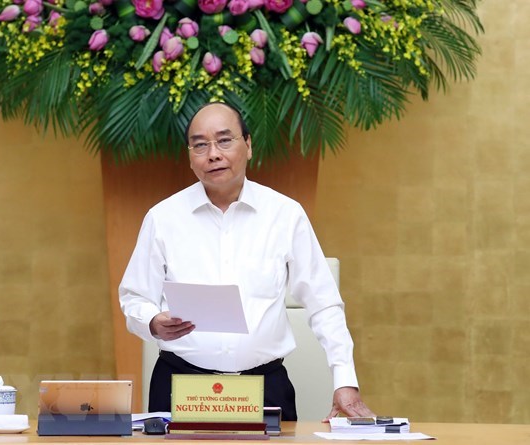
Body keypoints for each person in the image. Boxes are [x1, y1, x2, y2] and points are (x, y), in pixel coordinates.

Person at [119, 102, 374, 421]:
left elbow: (324, 304)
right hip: (180, 388)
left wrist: (345, 381)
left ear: (248, 145)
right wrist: (153, 321)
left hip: (264, 388)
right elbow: (134, 297)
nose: (213, 154)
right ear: (190, 156)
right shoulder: (163, 218)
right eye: (200, 145)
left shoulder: (285, 214)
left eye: (225, 140)